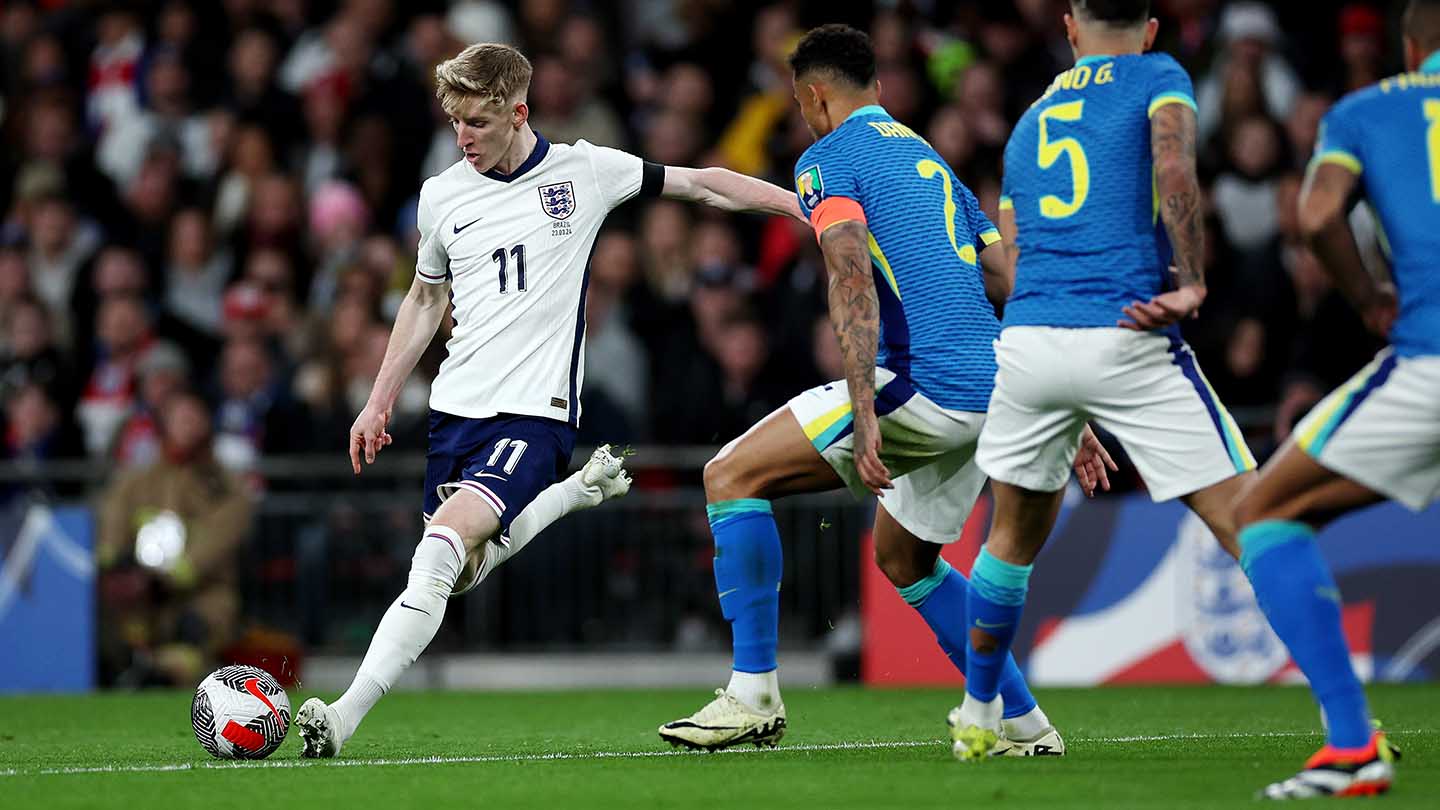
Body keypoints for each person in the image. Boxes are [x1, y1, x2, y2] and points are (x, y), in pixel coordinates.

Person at [296, 41, 804, 758]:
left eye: (478, 121)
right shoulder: (442, 196)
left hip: (535, 414)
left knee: (438, 551)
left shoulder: (583, 171)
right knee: (458, 574)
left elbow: (702, 185)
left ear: (518, 112)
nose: (464, 136)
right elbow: (424, 299)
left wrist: (798, 206)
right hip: (455, 414)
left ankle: (341, 717)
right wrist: (377, 403)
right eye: (455, 122)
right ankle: (574, 495)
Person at [660, 25, 1114, 755]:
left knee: (731, 475)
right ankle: (1024, 725)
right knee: (905, 559)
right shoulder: (928, 160)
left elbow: (850, 276)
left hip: (921, 386)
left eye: (800, 104)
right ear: (877, 88)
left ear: (815, 96)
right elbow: (1010, 277)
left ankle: (753, 695)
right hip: (995, 392)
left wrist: (866, 410)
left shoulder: (828, 158)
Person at [949, 0, 1258, 762]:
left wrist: (1066, 399)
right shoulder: (1158, 76)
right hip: (1122, 327)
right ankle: (1350, 726)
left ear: (1069, 28)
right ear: (1150, 30)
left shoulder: (1029, 121)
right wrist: (1192, 278)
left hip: (1030, 341)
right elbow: (1175, 166)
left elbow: (1015, 252)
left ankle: (978, 715)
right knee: (1253, 520)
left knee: (1009, 537)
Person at [1229, 0, 1440, 798]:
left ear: (1410, 46)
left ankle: (1352, 746)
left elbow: (1318, 216)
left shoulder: (1368, 110)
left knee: (1263, 512)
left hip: (1429, 358)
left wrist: (1367, 297)